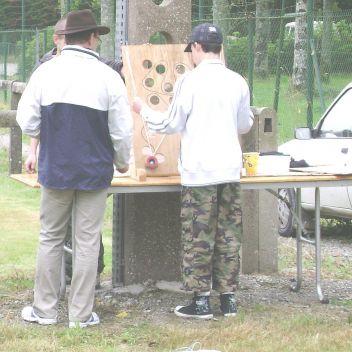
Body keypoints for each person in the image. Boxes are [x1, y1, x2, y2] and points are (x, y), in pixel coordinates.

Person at [17, 9, 132, 328]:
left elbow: (26, 119)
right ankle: (80, 315)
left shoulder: (46, 72)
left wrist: (45, 137)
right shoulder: (109, 77)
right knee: (87, 240)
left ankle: (45, 309)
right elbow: (121, 130)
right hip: (94, 172)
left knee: (50, 238)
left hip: (56, 168)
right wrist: (122, 161)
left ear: (65, 38)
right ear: (92, 38)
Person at [132, 23, 254, 319]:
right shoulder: (238, 81)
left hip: (199, 172)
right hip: (229, 170)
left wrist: (141, 109)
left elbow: (170, 124)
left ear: (197, 48)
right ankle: (228, 300)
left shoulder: (190, 82)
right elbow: (245, 125)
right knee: (228, 236)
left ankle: (200, 301)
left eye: (192, 51)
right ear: (220, 48)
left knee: (199, 236)